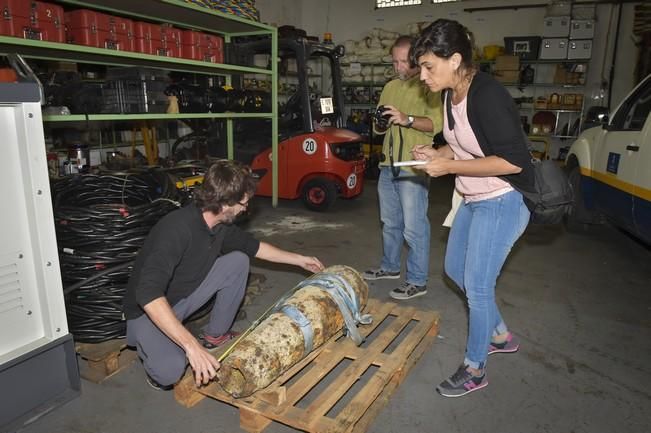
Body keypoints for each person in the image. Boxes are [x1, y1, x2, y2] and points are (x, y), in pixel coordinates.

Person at [410, 19, 535, 397]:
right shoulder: (451, 93)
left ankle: (475, 369)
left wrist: (447, 167)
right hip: (472, 197)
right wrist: (438, 153)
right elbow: (463, 143)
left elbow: (513, 162)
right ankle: (499, 334)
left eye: (428, 66)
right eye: (420, 67)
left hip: (503, 200)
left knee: (478, 287)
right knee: (454, 270)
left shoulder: (488, 95)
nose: (422, 75)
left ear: (456, 60)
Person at [122, 160, 325, 390]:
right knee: (169, 371)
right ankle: (154, 355)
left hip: (181, 297)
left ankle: (215, 335)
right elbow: (147, 293)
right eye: (243, 203)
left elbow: (255, 247)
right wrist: (191, 346)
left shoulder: (219, 224)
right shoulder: (177, 229)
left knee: (238, 260)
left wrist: (300, 260)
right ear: (226, 202)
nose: (245, 209)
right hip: (148, 312)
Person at [362, 35, 443, 301]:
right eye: (394, 62)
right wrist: (380, 123)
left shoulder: (429, 86)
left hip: (414, 166)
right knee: (390, 223)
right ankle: (389, 267)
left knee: (414, 227)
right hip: (388, 164)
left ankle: (418, 281)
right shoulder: (389, 87)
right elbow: (379, 124)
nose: (398, 67)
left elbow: (436, 125)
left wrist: (406, 119)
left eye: (403, 61)